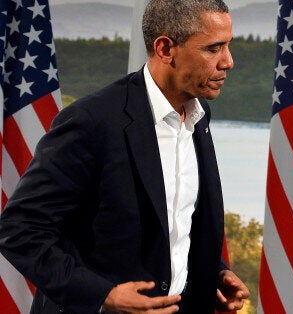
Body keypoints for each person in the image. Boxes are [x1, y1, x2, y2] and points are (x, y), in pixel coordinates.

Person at [0, 0, 250, 313]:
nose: (228, 62)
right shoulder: (92, 121)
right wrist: (104, 295)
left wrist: (215, 271)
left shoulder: (199, 117)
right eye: (213, 49)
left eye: (227, 46)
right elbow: (19, 229)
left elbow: (175, 223)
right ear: (164, 48)